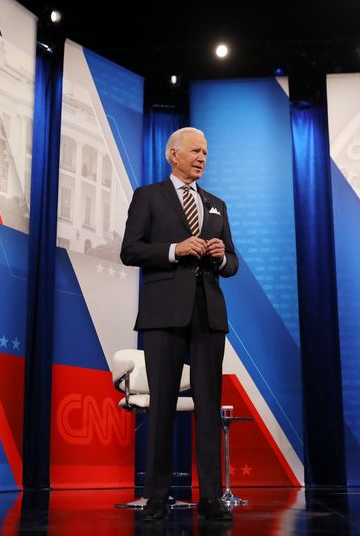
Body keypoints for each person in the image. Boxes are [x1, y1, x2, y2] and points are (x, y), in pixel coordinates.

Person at [120, 127, 238, 523]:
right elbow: (130, 250)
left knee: (207, 408)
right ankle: (156, 497)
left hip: (208, 315)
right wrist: (174, 250)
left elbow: (234, 264)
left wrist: (220, 257)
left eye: (206, 151)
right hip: (163, 315)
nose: (203, 157)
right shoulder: (148, 197)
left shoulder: (217, 204)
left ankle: (210, 498)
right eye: (195, 150)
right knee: (163, 406)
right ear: (173, 153)